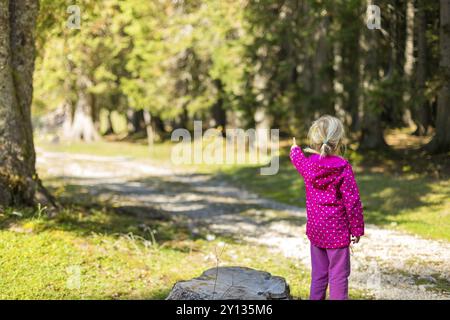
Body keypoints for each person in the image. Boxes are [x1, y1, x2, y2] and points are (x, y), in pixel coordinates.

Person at [290, 115, 364, 300]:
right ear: (338, 141)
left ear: (314, 140)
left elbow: (298, 160)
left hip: (316, 230)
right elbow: (352, 201)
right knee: (338, 276)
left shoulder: (309, 165)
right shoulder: (342, 167)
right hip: (337, 232)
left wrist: (294, 150)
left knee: (319, 275)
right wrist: (356, 228)